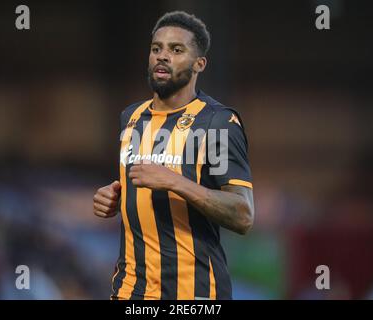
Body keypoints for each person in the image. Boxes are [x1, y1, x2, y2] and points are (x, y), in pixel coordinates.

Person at [93, 11, 254, 300]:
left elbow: (243, 215)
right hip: (130, 292)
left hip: (194, 294)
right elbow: (138, 186)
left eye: (176, 50)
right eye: (157, 48)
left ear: (199, 64)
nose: (162, 56)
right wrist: (113, 197)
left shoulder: (217, 122)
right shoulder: (131, 117)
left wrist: (174, 181)